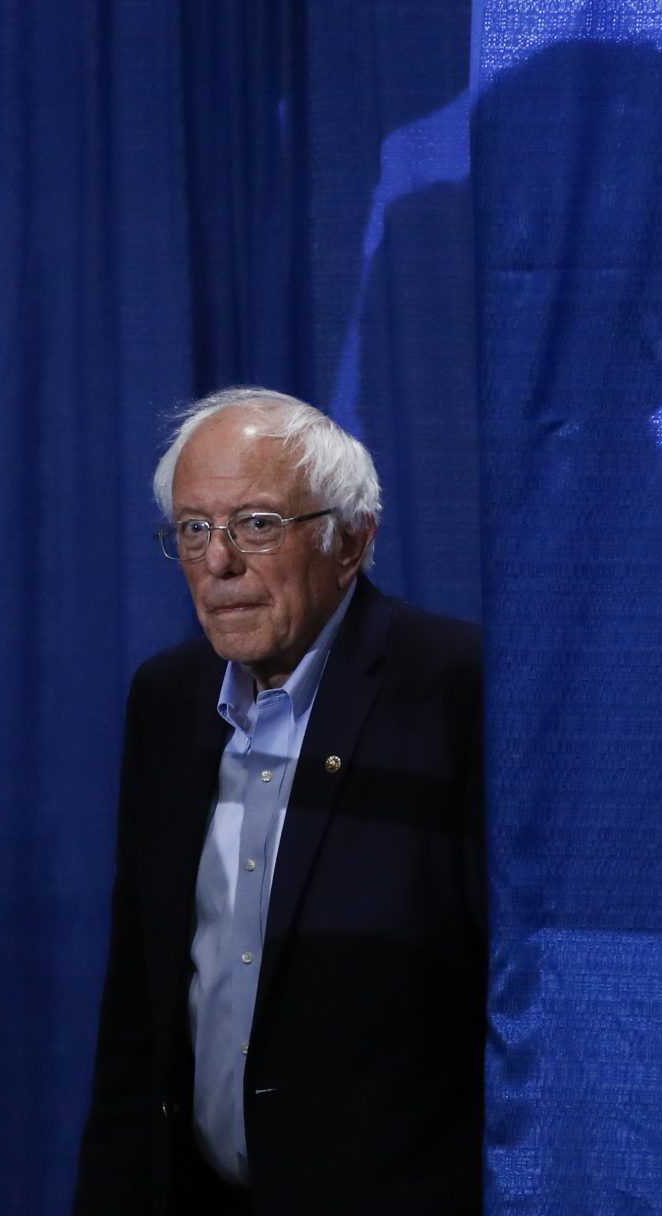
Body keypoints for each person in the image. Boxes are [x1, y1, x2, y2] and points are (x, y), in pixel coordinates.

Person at [73, 387, 486, 1215]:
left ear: (350, 541)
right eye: (195, 529)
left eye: (256, 525)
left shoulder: (457, 688)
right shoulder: (167, 699)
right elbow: (139, 1009)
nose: (218, 563)